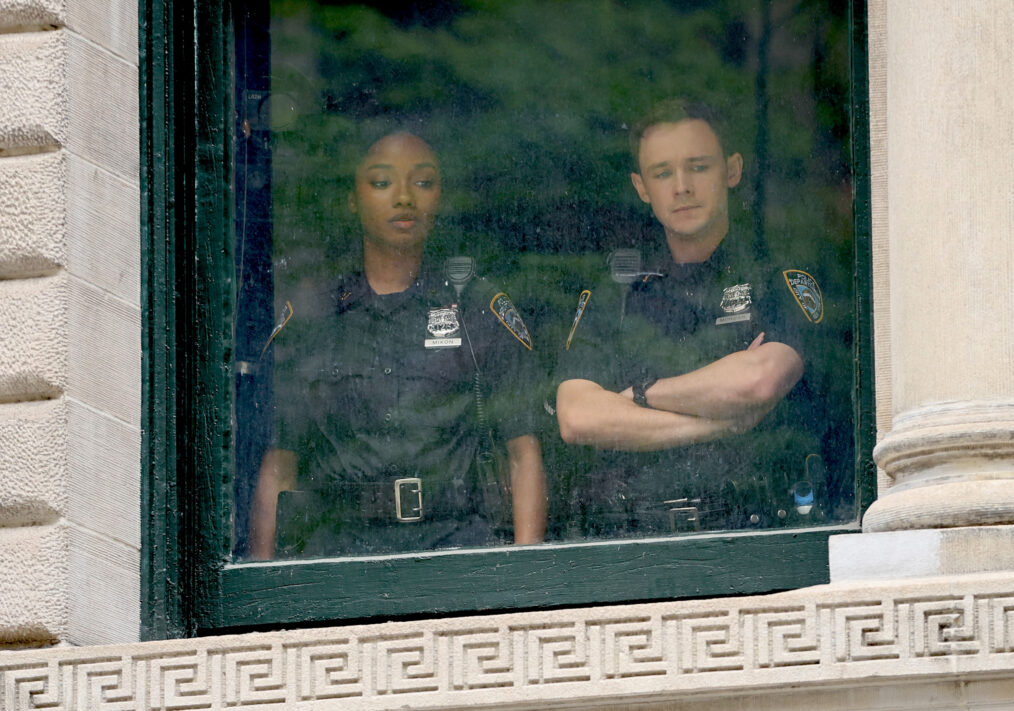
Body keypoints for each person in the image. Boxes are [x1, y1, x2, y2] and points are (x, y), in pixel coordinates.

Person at [248, 130, 547, 559]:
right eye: (382, 182)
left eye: (423, 183)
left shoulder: (477, 310)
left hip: (458, 550)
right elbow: (279, 468)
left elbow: (522, 454)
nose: (404, 197)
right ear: (353, 199)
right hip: (338, 555)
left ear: (440, 197)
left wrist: (527, 585)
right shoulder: (313, 318)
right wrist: (266, 591)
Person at [553, 100, 828, 538]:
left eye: (697, 167)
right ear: (642, 187)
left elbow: (756, 382)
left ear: (732, 170)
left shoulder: (775, 273)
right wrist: (719, 421)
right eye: (662, 173)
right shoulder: (617, 293)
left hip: (754, 532)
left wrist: (637, 396)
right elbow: (578, 416)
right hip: (634, 537)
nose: (681, 186)